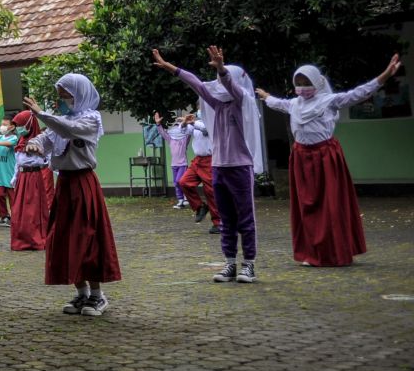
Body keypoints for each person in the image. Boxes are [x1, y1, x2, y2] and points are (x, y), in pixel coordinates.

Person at [258, 54, 401, 267]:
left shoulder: (329, 101)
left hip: (324, 158)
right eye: (298, 83)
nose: (302, 87)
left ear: (316, 82)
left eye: (306, 83)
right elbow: (278, 103)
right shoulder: (294, 104)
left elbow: (359, 94)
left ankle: (333, 251)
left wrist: (385, 75)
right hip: (301, 159)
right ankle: (312, 252)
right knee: (306, 209)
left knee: (330, 206)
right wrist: (266, 95)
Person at [153, 46, 264, 284]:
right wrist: (170, 67)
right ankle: (230, 263)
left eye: (222, 79)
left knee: (245, 218)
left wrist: (222, 69)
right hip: (219, 168)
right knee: (226, 218)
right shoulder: (217, 105)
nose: (218, 83)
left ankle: (249, 265)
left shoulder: (241, 101)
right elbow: (197, 84)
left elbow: (232, 87)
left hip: (240, 168)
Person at [24, 76, 121, 315]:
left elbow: (70, 129)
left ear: (79, 94)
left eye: (65, 95)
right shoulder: (60, 121)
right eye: (59, 95)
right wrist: (34, 144)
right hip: (64, 185)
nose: (61, 100)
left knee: (88, 237)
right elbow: (45, 138)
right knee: (63, 238)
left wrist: (41, 113)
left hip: (84, 184)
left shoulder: (90, 119)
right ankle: (81, 293)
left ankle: (98, 296)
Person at [8, 109, 52, 251]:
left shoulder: (40, 141)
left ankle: (35, 239)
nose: (18, 128)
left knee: (33, 211)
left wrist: (39, 152)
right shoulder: (20, 141)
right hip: (22, 179)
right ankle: (21, 239)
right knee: (19, 211)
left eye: (20, 125)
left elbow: (47, 161)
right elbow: (17, 162)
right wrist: (15, 178)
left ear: (29, 124)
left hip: (34, 178)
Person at [178, 111, 221, 234]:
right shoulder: (196, 123)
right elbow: (184, 131)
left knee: (210, 192)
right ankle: (200, 207)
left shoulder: (214, 121)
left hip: (210, 160)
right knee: (184, 182)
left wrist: (193, 122)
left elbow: (206, 129)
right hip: (198, 160)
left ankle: (218, 223)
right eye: (199, 107)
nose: (200, 110)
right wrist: (185, 123)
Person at [154, 111, 194, 209]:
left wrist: (186, 122)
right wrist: (158, 124)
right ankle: (180, 200)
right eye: (175, 126)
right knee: (176, 182)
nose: (176, 128)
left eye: (178, 126)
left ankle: (185, 198)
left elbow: (189, 133)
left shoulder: (184, 139)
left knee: (180, 181)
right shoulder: (170, 139)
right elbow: (162, 133)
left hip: (183, 164)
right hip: (174, 165)